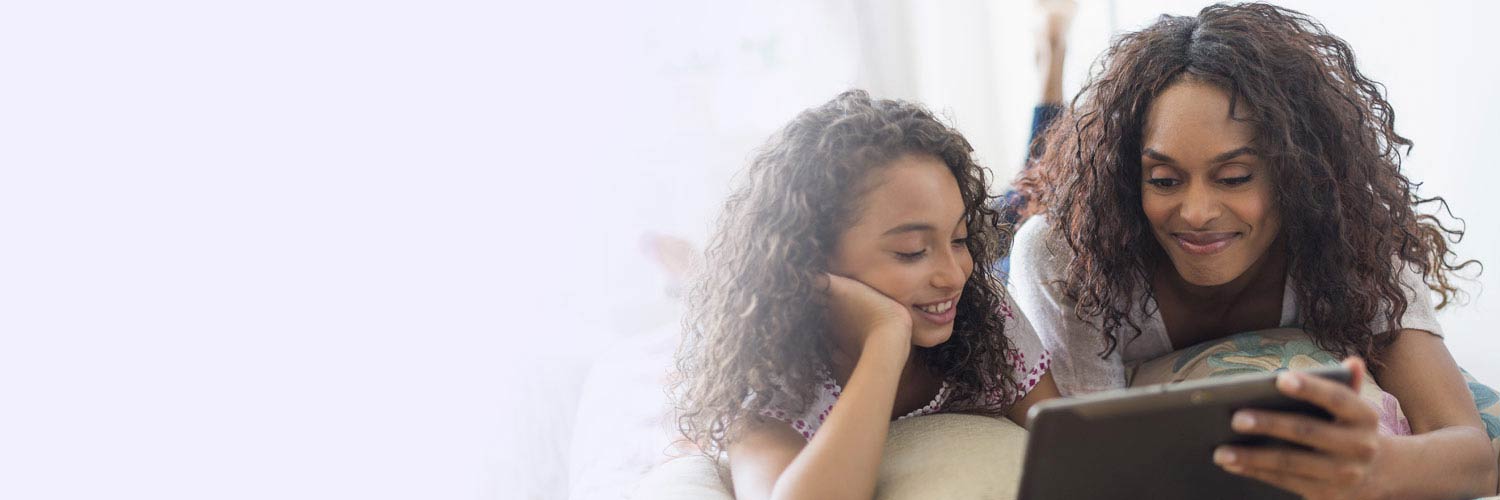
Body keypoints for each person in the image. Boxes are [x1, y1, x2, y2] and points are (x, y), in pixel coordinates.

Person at [1010, 3, 1496, 498]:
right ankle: (1051, 58)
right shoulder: (1069, 256)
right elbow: (1098, 461)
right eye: (1164, 179)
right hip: (1018, 249)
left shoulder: (1355, 237)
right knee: (1019, 195)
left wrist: (1382, 468)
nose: (1197, 211)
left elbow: (1471, 452)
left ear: (1296, 173)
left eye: (1235, 177)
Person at [671, 90, 1059, 500]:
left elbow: (1070, 452)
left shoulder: (986, 316)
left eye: (959, 239)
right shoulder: (765, 374)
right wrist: (885, 339)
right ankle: (683, 266)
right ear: (810, 257)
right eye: (912, 251)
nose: (953, 275)